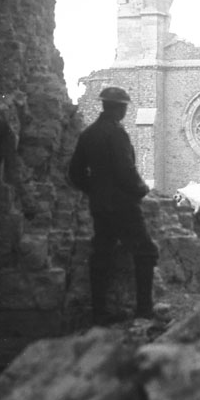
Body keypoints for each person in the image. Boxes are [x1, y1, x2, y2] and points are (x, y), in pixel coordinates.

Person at [68, 86, 158, 324]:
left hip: (100, 206)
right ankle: (144, 310)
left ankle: (100, 312)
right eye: (124, 107)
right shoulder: (116, 134)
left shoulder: (88, 134)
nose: (125, 112)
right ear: (118, 108)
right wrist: (141, 189)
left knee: (102, 254)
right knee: (146, 252)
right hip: (123, 206)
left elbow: (75, 172)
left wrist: (94, 190)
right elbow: (125, 169)